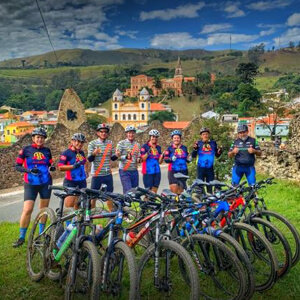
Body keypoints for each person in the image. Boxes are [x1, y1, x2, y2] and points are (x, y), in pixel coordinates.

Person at [13, 127, 55, 247]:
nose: (40, 139)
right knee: (27, 209)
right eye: (37, 137)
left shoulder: (47, 150)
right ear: (33, 138)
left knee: (43, 210)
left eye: (42, 137)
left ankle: (41, 234)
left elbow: (50, 164)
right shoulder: (26, 150)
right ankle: (21, 237)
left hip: (45, 183)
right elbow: (17, 166)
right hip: (31, 183)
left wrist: (52, 167)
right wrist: (29, 170)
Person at [88, 123, 118, 210]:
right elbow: (89, 159)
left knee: (109, 195)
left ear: (108, 133)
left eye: (105, 132)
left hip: (108, 174)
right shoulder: (92, 144)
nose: (103, 133)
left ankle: (111, 214)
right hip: (97, 174)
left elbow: (112, 158)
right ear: (97, 133)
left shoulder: (110, 143)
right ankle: (92, 216)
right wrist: (94, 153)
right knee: (93, 197)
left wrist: (117, 155)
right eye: (101, 131)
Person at [58, 133, 87, 208]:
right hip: (70, 181)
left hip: (82, 181)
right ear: (72, 141)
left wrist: (86, 171)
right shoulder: (66, 153)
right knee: (69, 205)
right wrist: (73, 166)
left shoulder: (81, 152)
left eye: (82, 142)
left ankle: (75, 220)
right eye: (78, 141)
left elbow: (84, 162)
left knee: (78, 204)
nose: (80, 144)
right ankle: (68, 220)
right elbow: (60, 167)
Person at [192, 127, 222, 193]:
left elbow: (217, 155)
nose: (205, 135)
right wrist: (195, 149)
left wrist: (219, 151)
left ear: (208, 135)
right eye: (203, 134)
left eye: (206, 134)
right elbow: (193, 156)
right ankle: (201, 200)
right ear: (201, 136)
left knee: (210, 186)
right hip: (200, 168)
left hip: (210, 168)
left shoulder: (213, 143)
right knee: (200, 187)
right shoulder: (198, 143)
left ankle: (209, 201)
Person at [164, 130, 192, 195]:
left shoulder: (184, 148)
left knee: (181, 192)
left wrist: (189, 159)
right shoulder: (169, 149)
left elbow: (187, 158)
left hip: (183, 171)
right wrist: (171, 159)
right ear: (172, 139)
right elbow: (165, 159)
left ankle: (179, 204)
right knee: (174, 191)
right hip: (173, 171)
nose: (176, 139)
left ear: (180, 139)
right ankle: (174, 205)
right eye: (175, 138)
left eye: (178, 138)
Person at [116, 125, 141, 194]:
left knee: (135, 190)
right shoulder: (121, 143)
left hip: (134, 170)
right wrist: (125, 157)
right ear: (126, 134)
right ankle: (123, 203)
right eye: (129, 133)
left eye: (133, 133)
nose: (131, 134)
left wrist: (139, 159)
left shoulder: (137, 145)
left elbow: (138, 156)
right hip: (124, 171)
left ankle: (123, 203)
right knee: (128, 190)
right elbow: (117, 157)